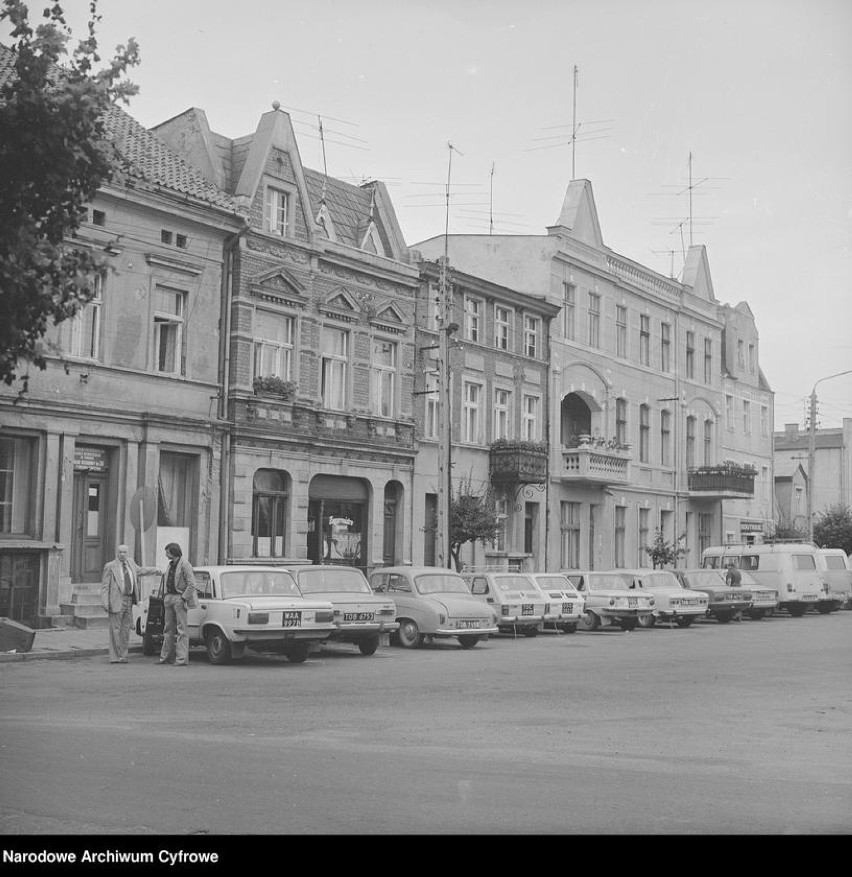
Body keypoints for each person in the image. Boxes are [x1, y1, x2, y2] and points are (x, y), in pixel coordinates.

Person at [100, 544, 161, 664]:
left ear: (128, 553)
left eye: (124, 552)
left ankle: (122, 655)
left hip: (129, 600)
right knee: (115, 629)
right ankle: (114, 657)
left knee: (125, 630)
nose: (122, 554)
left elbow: (141, 571)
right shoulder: (110, 566)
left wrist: (155, 570)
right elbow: (105, 586)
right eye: (120, 552)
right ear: (116, 553)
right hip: (116, 600)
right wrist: (105, 602)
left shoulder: (131, 563)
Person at [159, 542, 197, 667]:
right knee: (168, 629)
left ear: (174, 552)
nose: (166, 555)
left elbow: (192, 584)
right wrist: (165, 596)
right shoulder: (170, 565)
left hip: (179, 598)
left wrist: (183, 598)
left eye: (167, 552)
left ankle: (181, 659)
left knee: (182, 630)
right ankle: (165, 657)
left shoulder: (185, 564)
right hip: (169, 597)